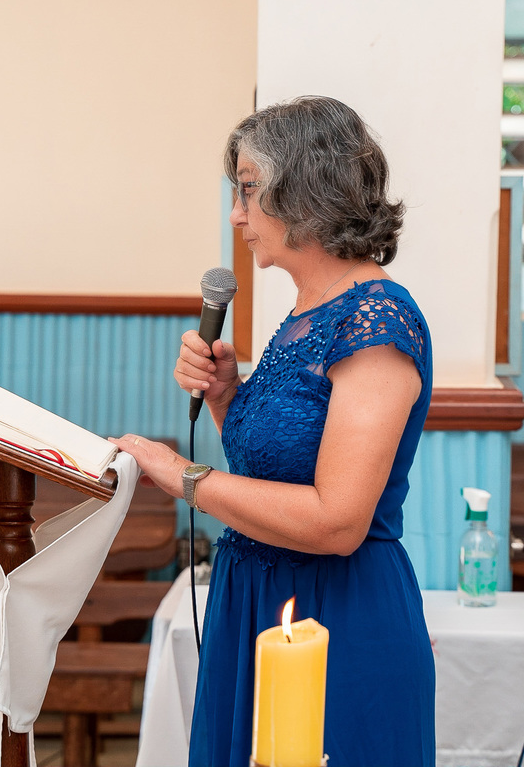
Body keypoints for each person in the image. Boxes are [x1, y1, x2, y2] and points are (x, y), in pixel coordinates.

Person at [114, 96, 435, 766]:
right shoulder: (304, 313)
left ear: (304, 192)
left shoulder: (376, 322)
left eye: (248, 190)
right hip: (253, 598)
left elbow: (337, 521)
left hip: (334, 615)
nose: (237, 215)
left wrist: (182, 476)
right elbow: (274, 471)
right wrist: (227, 396)